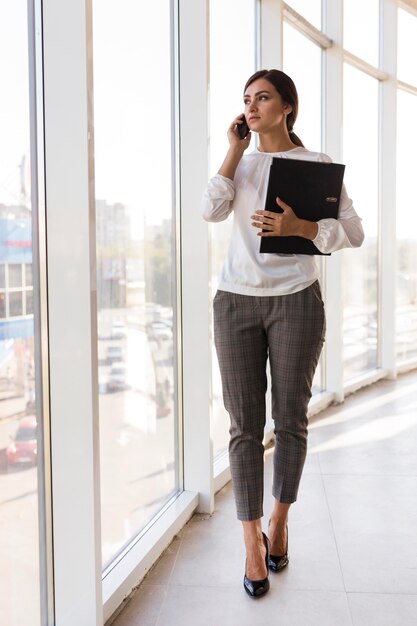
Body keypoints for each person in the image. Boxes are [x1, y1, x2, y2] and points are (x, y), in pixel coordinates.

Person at [201, 69, 364, 599]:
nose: (251, 107)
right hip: (235, 303)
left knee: (289, 421)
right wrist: (232, 150)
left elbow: (354, 233)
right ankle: (251, 541)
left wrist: (301, 229)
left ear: (287, 107)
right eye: (246, 100)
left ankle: (280, 520)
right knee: (242, 426)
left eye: (263, 98)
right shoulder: (241, 165)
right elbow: (211, 209)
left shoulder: (316, 167)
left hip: (296, 302)